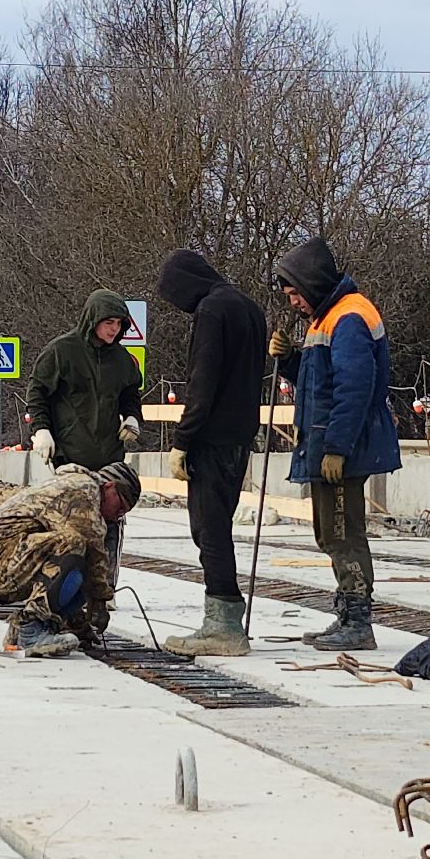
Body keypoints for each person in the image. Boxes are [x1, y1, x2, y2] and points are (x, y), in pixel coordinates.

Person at [267, 237, 402, 651]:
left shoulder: (349, 318)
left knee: (343, 533)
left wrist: (337, 448)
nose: (292, 303)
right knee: (330, 533)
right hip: (330, 444)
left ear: (310, 284)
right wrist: (290, 359)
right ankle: (347, 613)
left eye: (294, 294)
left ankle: (358, 621)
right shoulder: (327, 318)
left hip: (343, 449)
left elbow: (354, 388)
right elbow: (319, 384)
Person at [154, 248, 268, 657]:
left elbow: (202, 382)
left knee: (209, 530)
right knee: (218, 525)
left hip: (213, 439)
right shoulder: (248, 307)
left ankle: (221, 625)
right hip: (240, 437)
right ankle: (227, 618)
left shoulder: (211, 311)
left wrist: (183, 439)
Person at [0, 462, 141, 656]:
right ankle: (31, 629)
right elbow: (94, 553)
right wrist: (99, 601)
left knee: (78, 559)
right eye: (120, 508)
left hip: (7, 559)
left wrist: (77, 623)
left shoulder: (77, 486)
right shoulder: (83, 491)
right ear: (109, 486)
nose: (117, 517)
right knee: (74, 544)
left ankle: (23, 630)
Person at [27, 288, 145, 573]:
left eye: (119, 324)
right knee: (73, 521)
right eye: (109, 323)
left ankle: (105, 584)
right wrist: (42, 430)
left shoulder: (122, 360)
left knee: (111, 518)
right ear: (93, 320)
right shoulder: (61, 352)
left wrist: (131, 417)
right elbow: (38, 392)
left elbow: (131, 393)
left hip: (109, 455)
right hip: (70, 453)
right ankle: (68, 579)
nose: (114, 330)